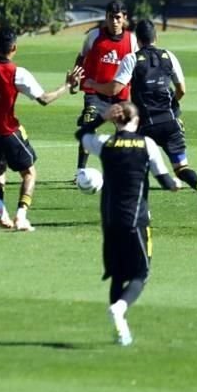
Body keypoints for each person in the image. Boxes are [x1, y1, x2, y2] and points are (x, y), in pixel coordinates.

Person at [85, 19, 197, 214]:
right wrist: (172, 106)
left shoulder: (131, 59)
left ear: (137, 40)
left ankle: (143, 210)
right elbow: (182, 89)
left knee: (140, 169)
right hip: (171, 123)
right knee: (181, 168)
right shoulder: (169, 56)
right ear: (156, 37)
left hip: (146, 126)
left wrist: (93, 85)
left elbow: (115, 88)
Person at [76, 101, 181, 346]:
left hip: (110, 219)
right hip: (137, 220)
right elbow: (165, 181)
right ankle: (120, 308)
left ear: (116, 120)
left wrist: (101, 117)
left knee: (117, 275)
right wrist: (175, 185)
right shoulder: (147, 144)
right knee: (141, 274)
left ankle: (120, 329)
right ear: (137, 120)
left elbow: (81, 134)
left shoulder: (105, 143)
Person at [0, 26, 83, 232]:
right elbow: (44, 99)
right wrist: (67, 85)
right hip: (5, 129)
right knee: (29, 172)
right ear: (14, 48)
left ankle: (0, 207)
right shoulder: (18, 74)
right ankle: (21, 216)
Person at [71, 0, 138, 180]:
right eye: (110, 17)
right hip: (95, 95)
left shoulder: (132, 41)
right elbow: (82, 57)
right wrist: (75, 79)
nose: (114, 22)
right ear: (106, 18)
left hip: (120, 97)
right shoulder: (93, 36)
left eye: (118, 18)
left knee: (124, 134)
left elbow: (136, 68)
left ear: (124, 18)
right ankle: (80, 172)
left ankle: (119, 171)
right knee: (87, 127)